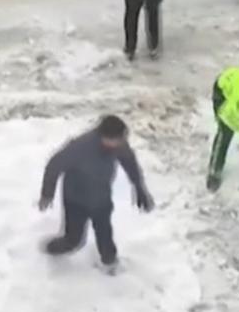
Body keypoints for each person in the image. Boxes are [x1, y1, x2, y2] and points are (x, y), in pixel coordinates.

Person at [39, 115, 155, 269]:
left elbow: (129, 162)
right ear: (105, 137)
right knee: (74, 241)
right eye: (119, 140)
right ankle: (49, 250)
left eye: (123, 139)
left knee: (104, 232)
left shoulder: (118, 143)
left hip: (101, 196)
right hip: (76, 199)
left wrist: (139, 188)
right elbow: (54, 165)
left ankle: (110, 262)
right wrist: (47, 193)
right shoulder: (81, 147)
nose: (122, 143)